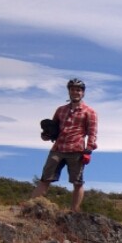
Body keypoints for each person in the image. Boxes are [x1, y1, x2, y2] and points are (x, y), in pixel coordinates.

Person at [31, 77, 98, 212]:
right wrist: (46, 135)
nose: (76, 92)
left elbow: (92, 132)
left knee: (77, 182)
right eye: (73, 90)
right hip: (58, 148)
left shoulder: (90, 112)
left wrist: (89, 149)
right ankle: (30, 207)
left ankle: (74, 211)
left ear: (83, 93)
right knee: (45, 179)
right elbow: (53, 128)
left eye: (78, 90)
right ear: (69, 92)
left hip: (76, 150)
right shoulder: (60, 110)